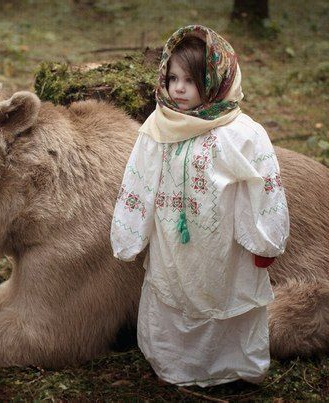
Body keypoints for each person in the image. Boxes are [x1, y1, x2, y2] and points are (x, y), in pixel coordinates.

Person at [110, 25, 290, 387]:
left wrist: (266, 239)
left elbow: (263, 184)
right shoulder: (158, 127)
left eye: (190, 80)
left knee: (226, 297)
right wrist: (129, 235)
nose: (178, 88)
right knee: (174, 293)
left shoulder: (243, 133)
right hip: (173, 247)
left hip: (226, 245)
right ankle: (176, 366)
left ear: (216, 80)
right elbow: (139, 183)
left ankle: (234, 369)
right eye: (173, 77)